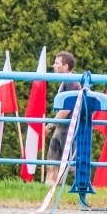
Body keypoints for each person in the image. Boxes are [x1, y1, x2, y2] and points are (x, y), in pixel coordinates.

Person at [44, 51, 82, 186]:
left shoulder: (72, 82)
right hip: (62, 127)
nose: (53, 66)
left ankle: (83, 190)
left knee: (73, 165)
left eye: (57, 63)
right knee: (52, 163)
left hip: (68, 128)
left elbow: (67, 108)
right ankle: (49, 191)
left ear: (65, 66)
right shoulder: (67, 82)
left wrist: (50, 125)